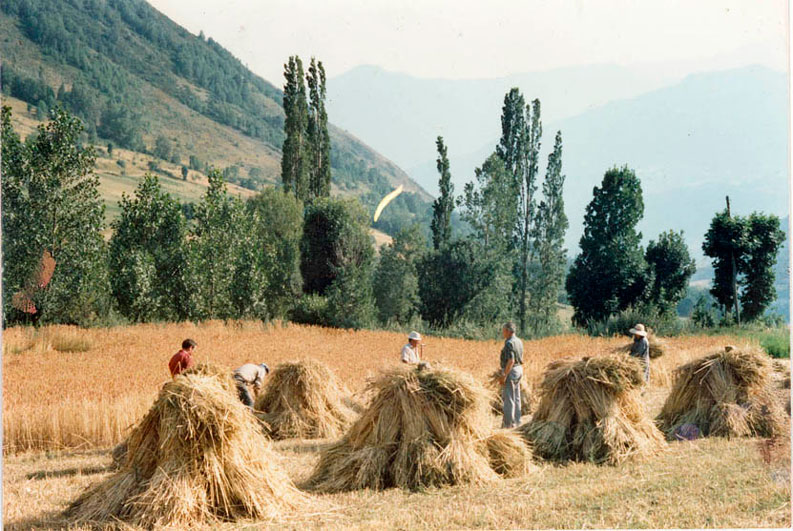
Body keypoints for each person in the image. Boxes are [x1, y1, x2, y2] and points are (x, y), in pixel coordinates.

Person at [498, 322, 524, 428]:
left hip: (511, 371)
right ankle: (517, 421)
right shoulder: (519, 341)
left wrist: (504, 374)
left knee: (509, 398)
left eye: (504, 330)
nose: (502, 332)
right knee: (516, 397)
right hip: (519, 370)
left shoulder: (509, 343)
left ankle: (508, 424)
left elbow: (511, 360)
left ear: (508, 331)